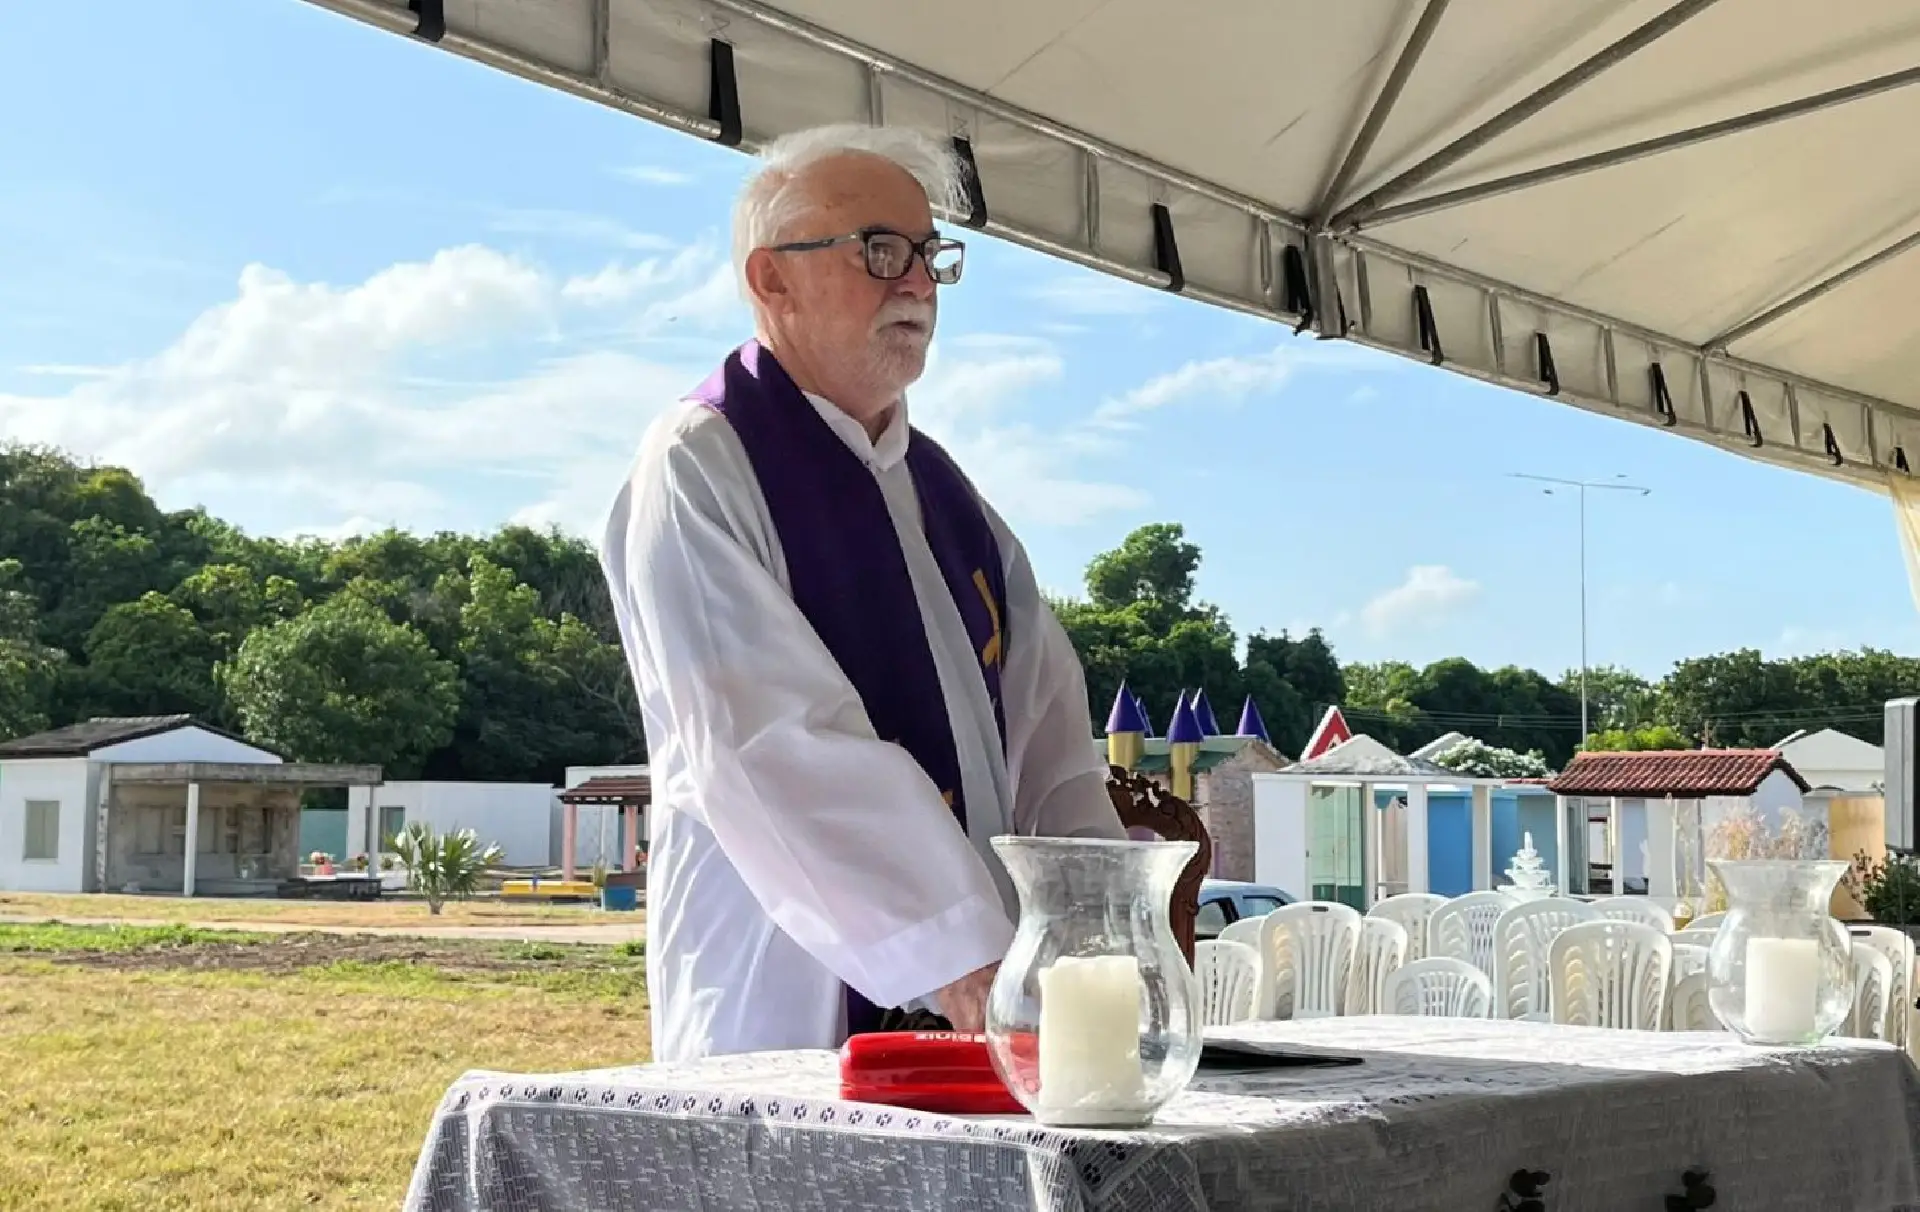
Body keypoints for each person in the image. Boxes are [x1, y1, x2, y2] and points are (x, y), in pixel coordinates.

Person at [599, 123, 1125, 1061]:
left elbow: (1050, 742)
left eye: (930, 255)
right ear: (772, 279)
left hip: (997, 1003)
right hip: (788, 991)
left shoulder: (950, 499)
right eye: (881, 251)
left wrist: (1095, 928)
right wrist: (959, 960)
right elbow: (764, 740)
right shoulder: (702, 462)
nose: (917, 282)